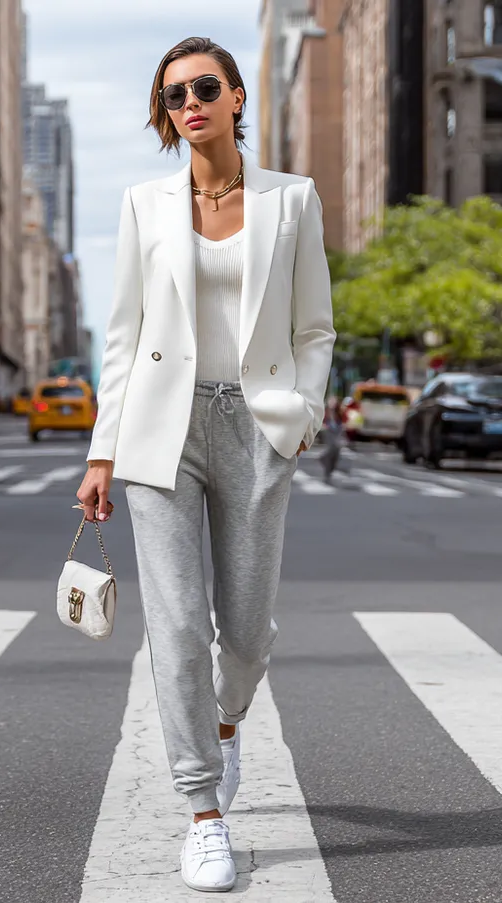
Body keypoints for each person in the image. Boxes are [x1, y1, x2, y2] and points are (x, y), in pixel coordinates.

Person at [74, 37, 334, 894]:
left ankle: (225, 729)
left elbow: (314, 329)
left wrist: (300, 415)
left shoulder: (291, 199)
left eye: (203, 87)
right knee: (180, 626)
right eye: (173, 94)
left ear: (234, 98)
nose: (189, 102)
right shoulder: (144, 203)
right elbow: (124, 335)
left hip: (257, 426)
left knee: (248, 632)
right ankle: (202, 812)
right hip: (162, 432)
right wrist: (102, 449)